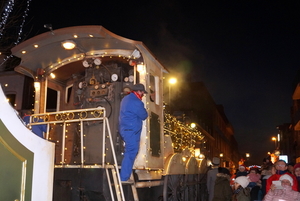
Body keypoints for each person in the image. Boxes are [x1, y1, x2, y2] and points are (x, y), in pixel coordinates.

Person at [119, 83, 148, 183]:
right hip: (131, 131)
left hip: (125, 129)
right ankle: (124, 178)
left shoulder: (125, 99)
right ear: (139, 91)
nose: (143, 94)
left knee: (129, 151)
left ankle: (125, 174)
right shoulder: (136, 102)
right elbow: (144, 115)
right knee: (131, 152)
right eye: (143, 92)